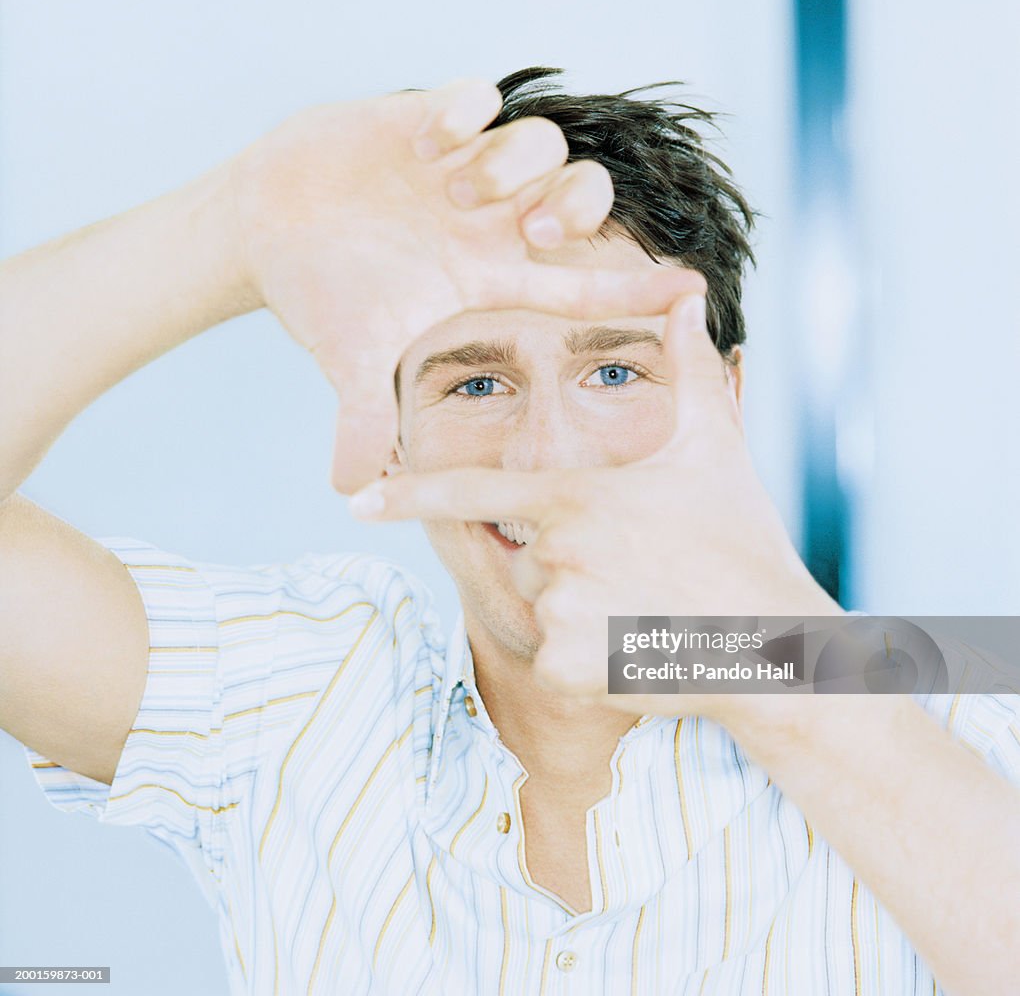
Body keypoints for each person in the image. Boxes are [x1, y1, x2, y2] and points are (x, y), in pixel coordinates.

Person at [0, 68, 1017, 996]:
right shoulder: (293, 699)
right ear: (392, 438)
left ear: (730, 399)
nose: (544, 452)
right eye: (477, 381)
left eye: (614, 371)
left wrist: (771, 666)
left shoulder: (971, 699)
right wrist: (230, 227)